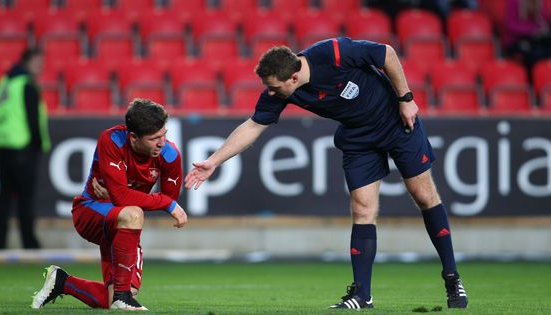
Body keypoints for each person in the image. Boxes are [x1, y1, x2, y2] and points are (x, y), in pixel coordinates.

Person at [185, 38, 468, 309]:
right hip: (358, 137)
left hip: (396, 122)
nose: (270, 91)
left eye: (273, 86)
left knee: (423, 195)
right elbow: (253, 126)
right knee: (362, 209)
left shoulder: (333, 53)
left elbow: (387, 54)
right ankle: (362, 294)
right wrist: (215, 160)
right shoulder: (279, 89)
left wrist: (405, 98)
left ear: (293, 79)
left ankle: (452, 277)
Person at [31, 98, 188, 311]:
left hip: (124, 223)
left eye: (164, 134)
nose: (162, 142)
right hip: (90, 210)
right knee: (133, 213)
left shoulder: (169, 155)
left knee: (108, 299)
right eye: (154, 138)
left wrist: (124, 196)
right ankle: (122, 297)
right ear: (133, 138)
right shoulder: (112, 140)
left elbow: (165, 196)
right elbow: (152, 200)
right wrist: (131, 198)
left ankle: (62, 281)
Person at [0, 48, 51, 249]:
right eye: (38, 62)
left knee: (4, 197)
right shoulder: (26, 84)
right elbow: (32, 119)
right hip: (23, 147)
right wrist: (38, 143)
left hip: (3, 145)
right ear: (28, 61)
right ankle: (29, 242)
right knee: (25, 198)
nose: (41, 67)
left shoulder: (6, 82)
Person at [504, 0, 551, 71]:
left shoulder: (541, 2)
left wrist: (542, 29)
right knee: (534, 54)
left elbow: (543, 21)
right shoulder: (514, 1)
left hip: (537, 39)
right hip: (518, 39)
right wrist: (531, 30)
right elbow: (510, 25)